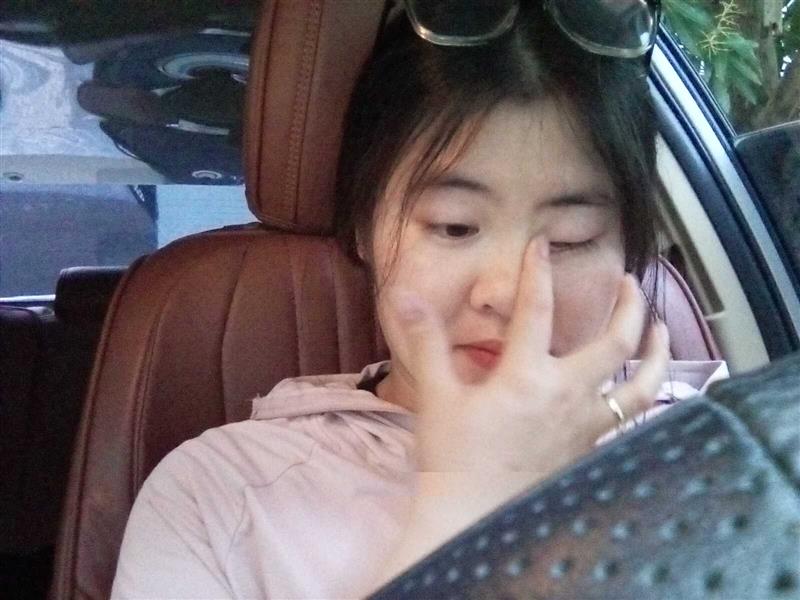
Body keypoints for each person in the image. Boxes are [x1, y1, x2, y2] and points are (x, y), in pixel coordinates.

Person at [111, 2, 727, 598]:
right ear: (363, 226)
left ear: (630, 250)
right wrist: (467, 511)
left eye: (570, 238)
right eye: (455, 226)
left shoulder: (717, 453)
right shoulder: (217, 498)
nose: (509, 296)